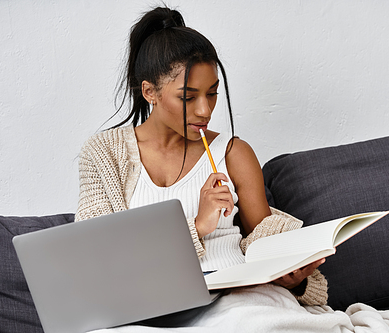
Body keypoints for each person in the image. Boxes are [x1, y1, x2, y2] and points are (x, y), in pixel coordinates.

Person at [75, 6, 328, 328]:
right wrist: (198, 225)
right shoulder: (104, 153)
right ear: (149, 91)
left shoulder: (234, 152)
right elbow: (97, 254)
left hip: (239, 296)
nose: (205, 110)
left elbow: (265, 240)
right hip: (153, 302)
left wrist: (292, 276)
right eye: (188, 97)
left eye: (212, 94)